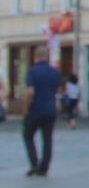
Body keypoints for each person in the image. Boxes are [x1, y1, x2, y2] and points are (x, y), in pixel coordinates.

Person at [23, 47, 63, 177]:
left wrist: (25, 108)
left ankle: (34, 164)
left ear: (35, 56)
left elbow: (30, 92)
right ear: (47, 56)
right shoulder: (54, 71)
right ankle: (44, 168)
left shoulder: (32, 71)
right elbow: (60, 89)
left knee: (28, 135)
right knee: (47, 139)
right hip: (50, 109)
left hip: (35, 110)